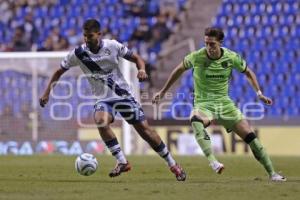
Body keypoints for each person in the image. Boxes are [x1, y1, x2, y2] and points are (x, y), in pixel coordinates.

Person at [39, 19, 186, 181]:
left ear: (99, 34)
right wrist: (47, 93)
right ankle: (122, 161)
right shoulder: (78, 54)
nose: (87, 39)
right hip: (103, 98)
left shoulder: (113, 46)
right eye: (85, 36)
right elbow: (58, 72)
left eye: (90, 36)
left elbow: (137, 58)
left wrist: (142, 70)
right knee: (101, 121)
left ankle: (172, 164)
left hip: (123, 95)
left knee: (145, 131)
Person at [152, 27, 286, 182]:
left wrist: (259, 93)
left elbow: (248, 72)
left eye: (212, 44)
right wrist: (162, 92)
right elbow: (178, 70)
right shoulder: (196, 56)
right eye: (206, 43)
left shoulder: (231, 57)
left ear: (220, 43)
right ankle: (213, 161)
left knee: (251, 139)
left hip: (225, 104)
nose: (209, 47)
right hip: (204, 104)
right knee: (195, 120)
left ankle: (272, 173)